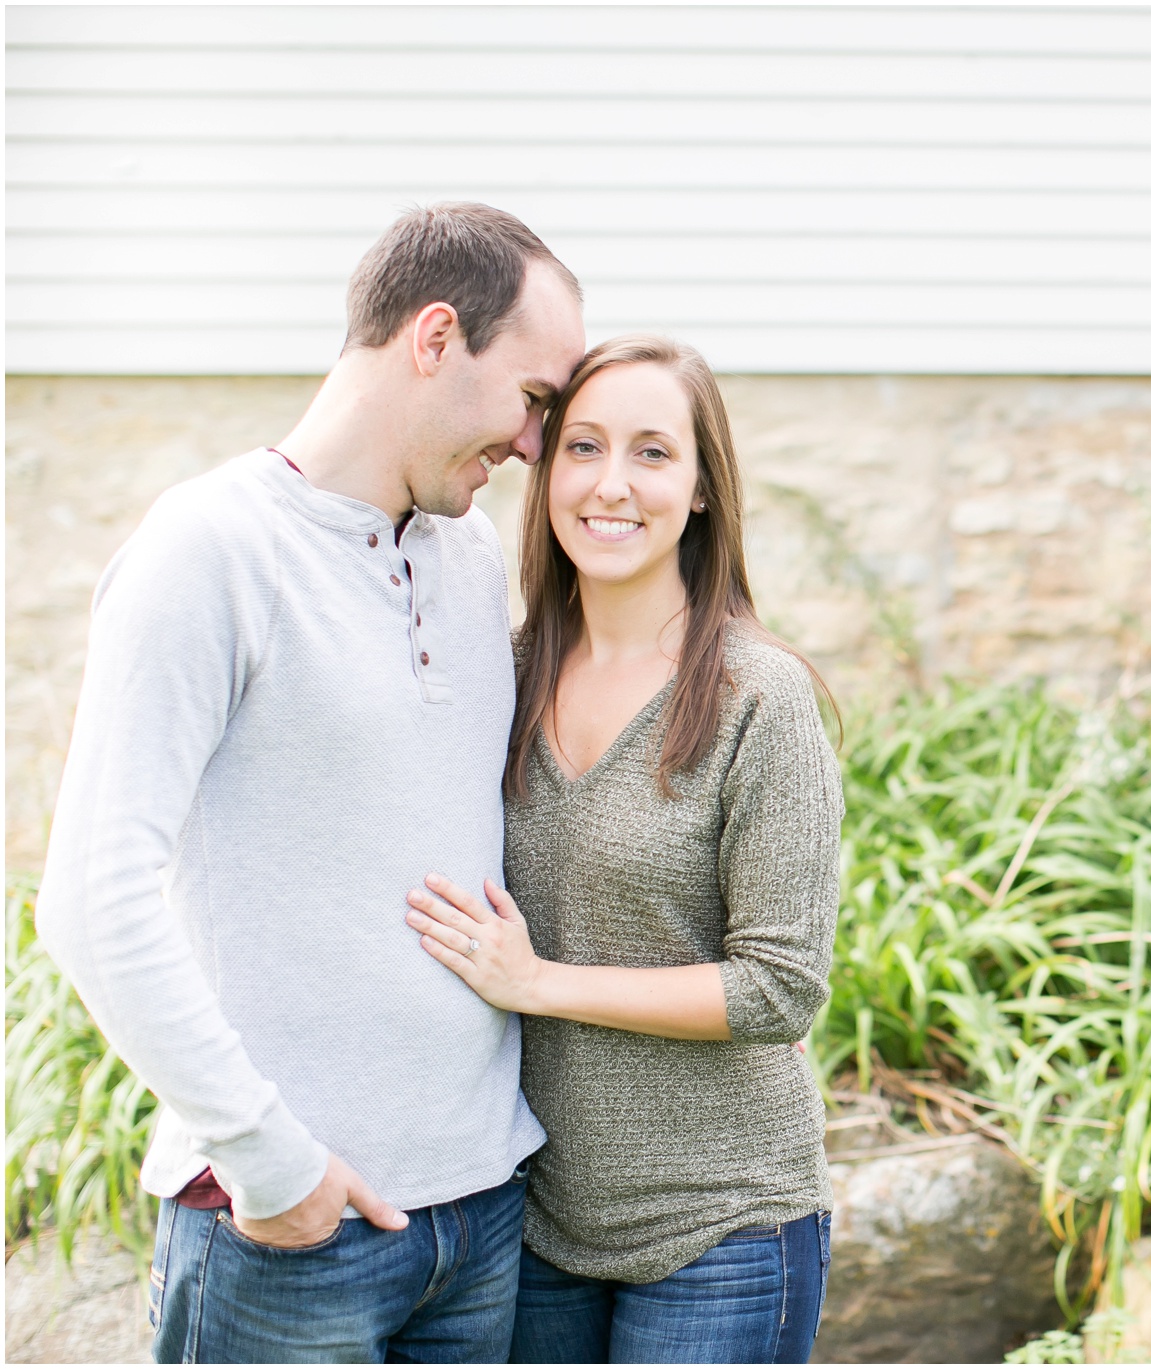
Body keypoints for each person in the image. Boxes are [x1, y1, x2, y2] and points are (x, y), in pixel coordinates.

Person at [35, 203, 587, 1363]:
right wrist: (269, 1161)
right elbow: (92, 895)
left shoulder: (468, 553)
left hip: (481, 1215)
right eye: (533, 399)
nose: (536, 448)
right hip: (290, 1235)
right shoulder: (208, 550)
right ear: (434, 337)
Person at [400, 335, 842, 1364]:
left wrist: (538, 983)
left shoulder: (757, 696)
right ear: (543, 472)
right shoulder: (500, 677)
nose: (610, 484)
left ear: (698, 490)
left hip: (725, 1225)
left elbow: (780, 990)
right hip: (541, 1220)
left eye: (652, 453)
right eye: (583, 447)